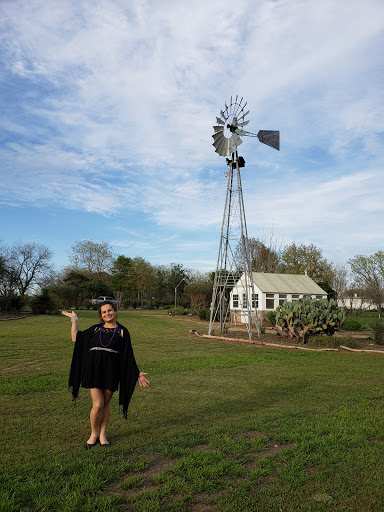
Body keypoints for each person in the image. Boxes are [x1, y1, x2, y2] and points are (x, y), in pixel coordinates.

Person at [62, 302, 149, 449]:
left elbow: (128, 355)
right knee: (97, 405)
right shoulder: (95, 329)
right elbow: (76, 338)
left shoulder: (122, 331)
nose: (107, 314)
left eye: (109, 310)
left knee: (106, 405)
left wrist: (136, 373)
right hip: (94, 371)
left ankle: (103, 434)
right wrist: (74, 319)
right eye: (103, 312)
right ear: (101, 316)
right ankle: (93, 434)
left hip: (112, 372)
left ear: (115, 311)